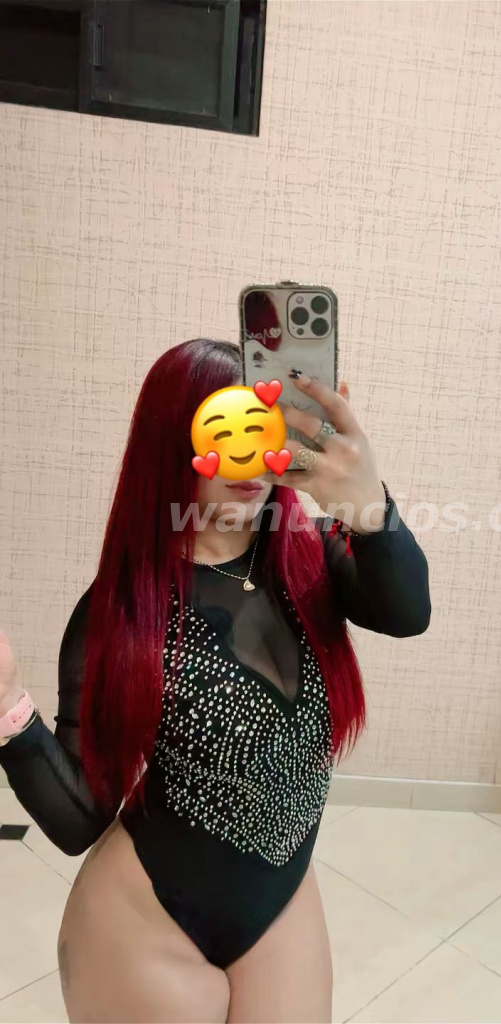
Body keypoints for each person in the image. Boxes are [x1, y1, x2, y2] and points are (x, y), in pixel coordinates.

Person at [0, 338, 431, 1024]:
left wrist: (369, 508)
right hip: (145, 922)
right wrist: (8, 710)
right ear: (174, 445)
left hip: (282, 901)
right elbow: (81, 816)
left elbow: (409, 614)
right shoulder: (122, 609)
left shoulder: (315, 555)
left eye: (263, 433)